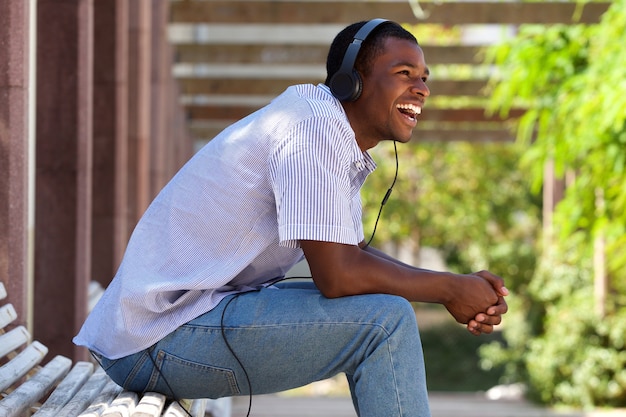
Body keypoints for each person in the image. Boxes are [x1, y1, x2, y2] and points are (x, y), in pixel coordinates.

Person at [74, 19, 508, 417]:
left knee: (385, 311)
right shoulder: (310, 130)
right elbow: (338, 276)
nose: (422, 88)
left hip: (170, 329)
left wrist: (457, 285)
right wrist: (451, 289)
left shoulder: (326, 131)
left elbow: (353, 255)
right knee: (385, 323)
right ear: (352, 81)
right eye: (405, 74)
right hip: (157, 339)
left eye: (424, 78)